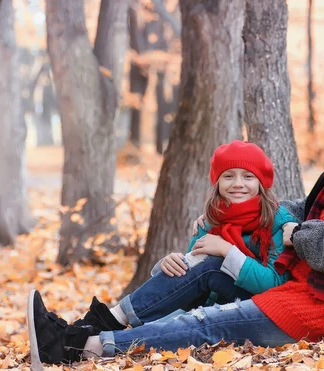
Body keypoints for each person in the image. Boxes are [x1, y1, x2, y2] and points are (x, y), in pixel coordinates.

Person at [27, 69, 324, 366]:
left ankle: (83, 347)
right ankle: (93, 323)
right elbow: (304, 208)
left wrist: (301, 235)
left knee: (206, 324)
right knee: (208, 268)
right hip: (303, 289)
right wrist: (237, 214)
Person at [27, 140, 296, 364]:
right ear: (217, 182)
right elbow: (193, 272)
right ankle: (75, 341)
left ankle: (100, 322)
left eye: (248, 176)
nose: (238, 184)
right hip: (208, 306)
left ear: (261, 183)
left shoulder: (277, 221)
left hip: (256, 307)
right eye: (229, 176)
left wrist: (227, 251)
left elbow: (274, 284)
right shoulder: (212, 219)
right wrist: (167, 265)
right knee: (156, 329)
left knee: (214, 264)